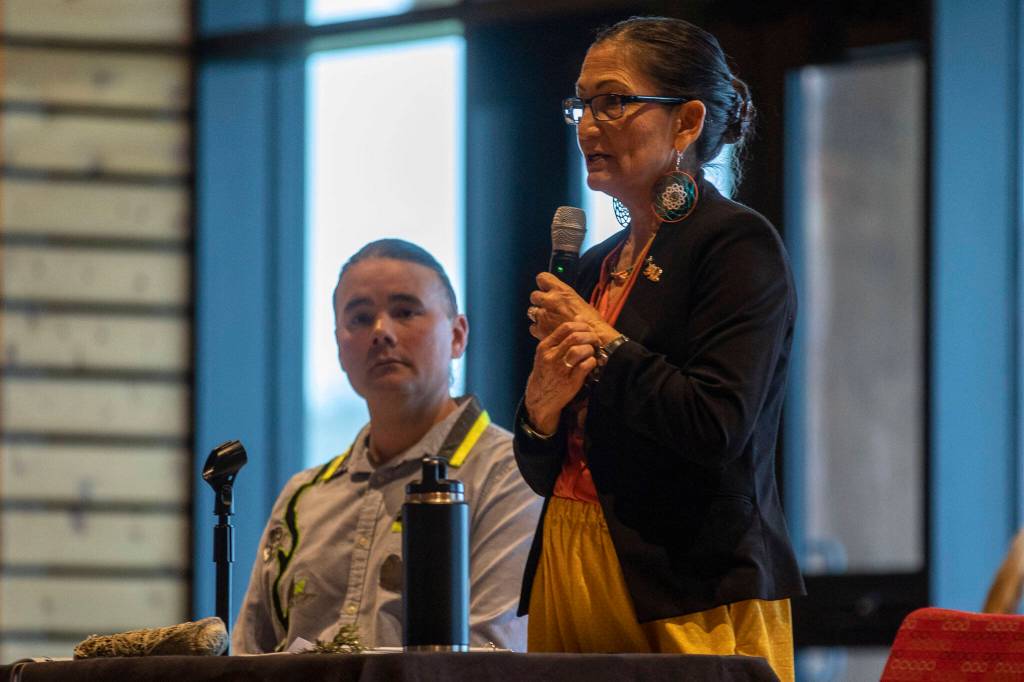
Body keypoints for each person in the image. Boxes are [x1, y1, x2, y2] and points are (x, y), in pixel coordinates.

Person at [513, 16, 804, 680]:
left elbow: (715, 425)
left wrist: (602, 343)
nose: (588, 124)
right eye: (581, 104)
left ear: (687, 121)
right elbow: (539, 467)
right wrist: (539, 412)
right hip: (568, 562)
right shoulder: (590, 268)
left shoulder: (734, 245)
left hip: (686, 585)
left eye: (613, 100)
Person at [233, 239, 542, 653]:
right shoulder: (303, 497)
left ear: (457, 335)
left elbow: (489, 663)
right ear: (340, 348)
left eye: (405, 311)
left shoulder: (512, 476)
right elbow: (250, 660)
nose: (381, 332)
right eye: (360, 318)